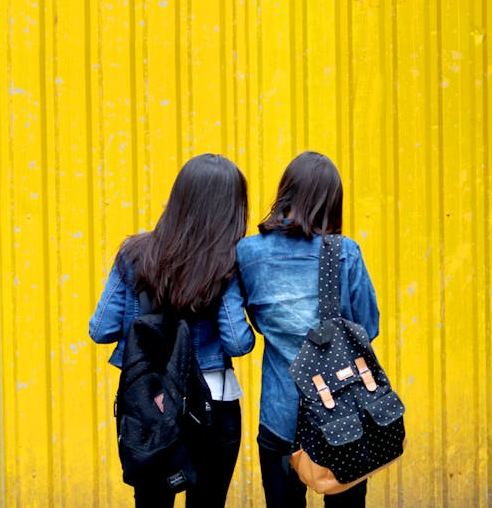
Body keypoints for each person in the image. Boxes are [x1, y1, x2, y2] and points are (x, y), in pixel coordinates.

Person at [89, 153, 256, 507]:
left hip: (150, 405)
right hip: (212, 406)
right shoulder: (227, 262)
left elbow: (101, 329)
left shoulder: (134, 255)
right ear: (230, 209)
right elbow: (238, 343)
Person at [236, 151, 380, 508]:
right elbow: (369, 326)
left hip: (279, 417)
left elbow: (248, 319)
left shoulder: (248, 252)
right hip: (343, 415)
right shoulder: (345, 252)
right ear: (332, 202)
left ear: (285, 193)